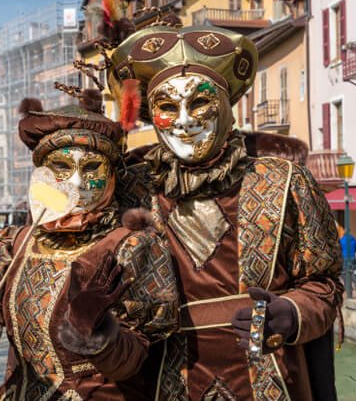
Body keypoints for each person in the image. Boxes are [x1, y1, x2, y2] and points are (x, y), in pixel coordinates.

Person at [109, 24, 343, 401]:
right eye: (168, 108)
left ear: (225, 106)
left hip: (270, 375)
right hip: (167, 380)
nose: (185, 122)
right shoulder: (133, 189)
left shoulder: (284, 181)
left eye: (199, 103)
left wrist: (291, 312)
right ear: (153, 115)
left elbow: (325, 282)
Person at [0, 96, 180, 400]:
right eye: (61, 167)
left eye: (92, 168)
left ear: (111, 174)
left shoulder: (133, 247)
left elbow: (136, 360)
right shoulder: (16, 244)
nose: (77, 182)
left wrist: (97, 332)